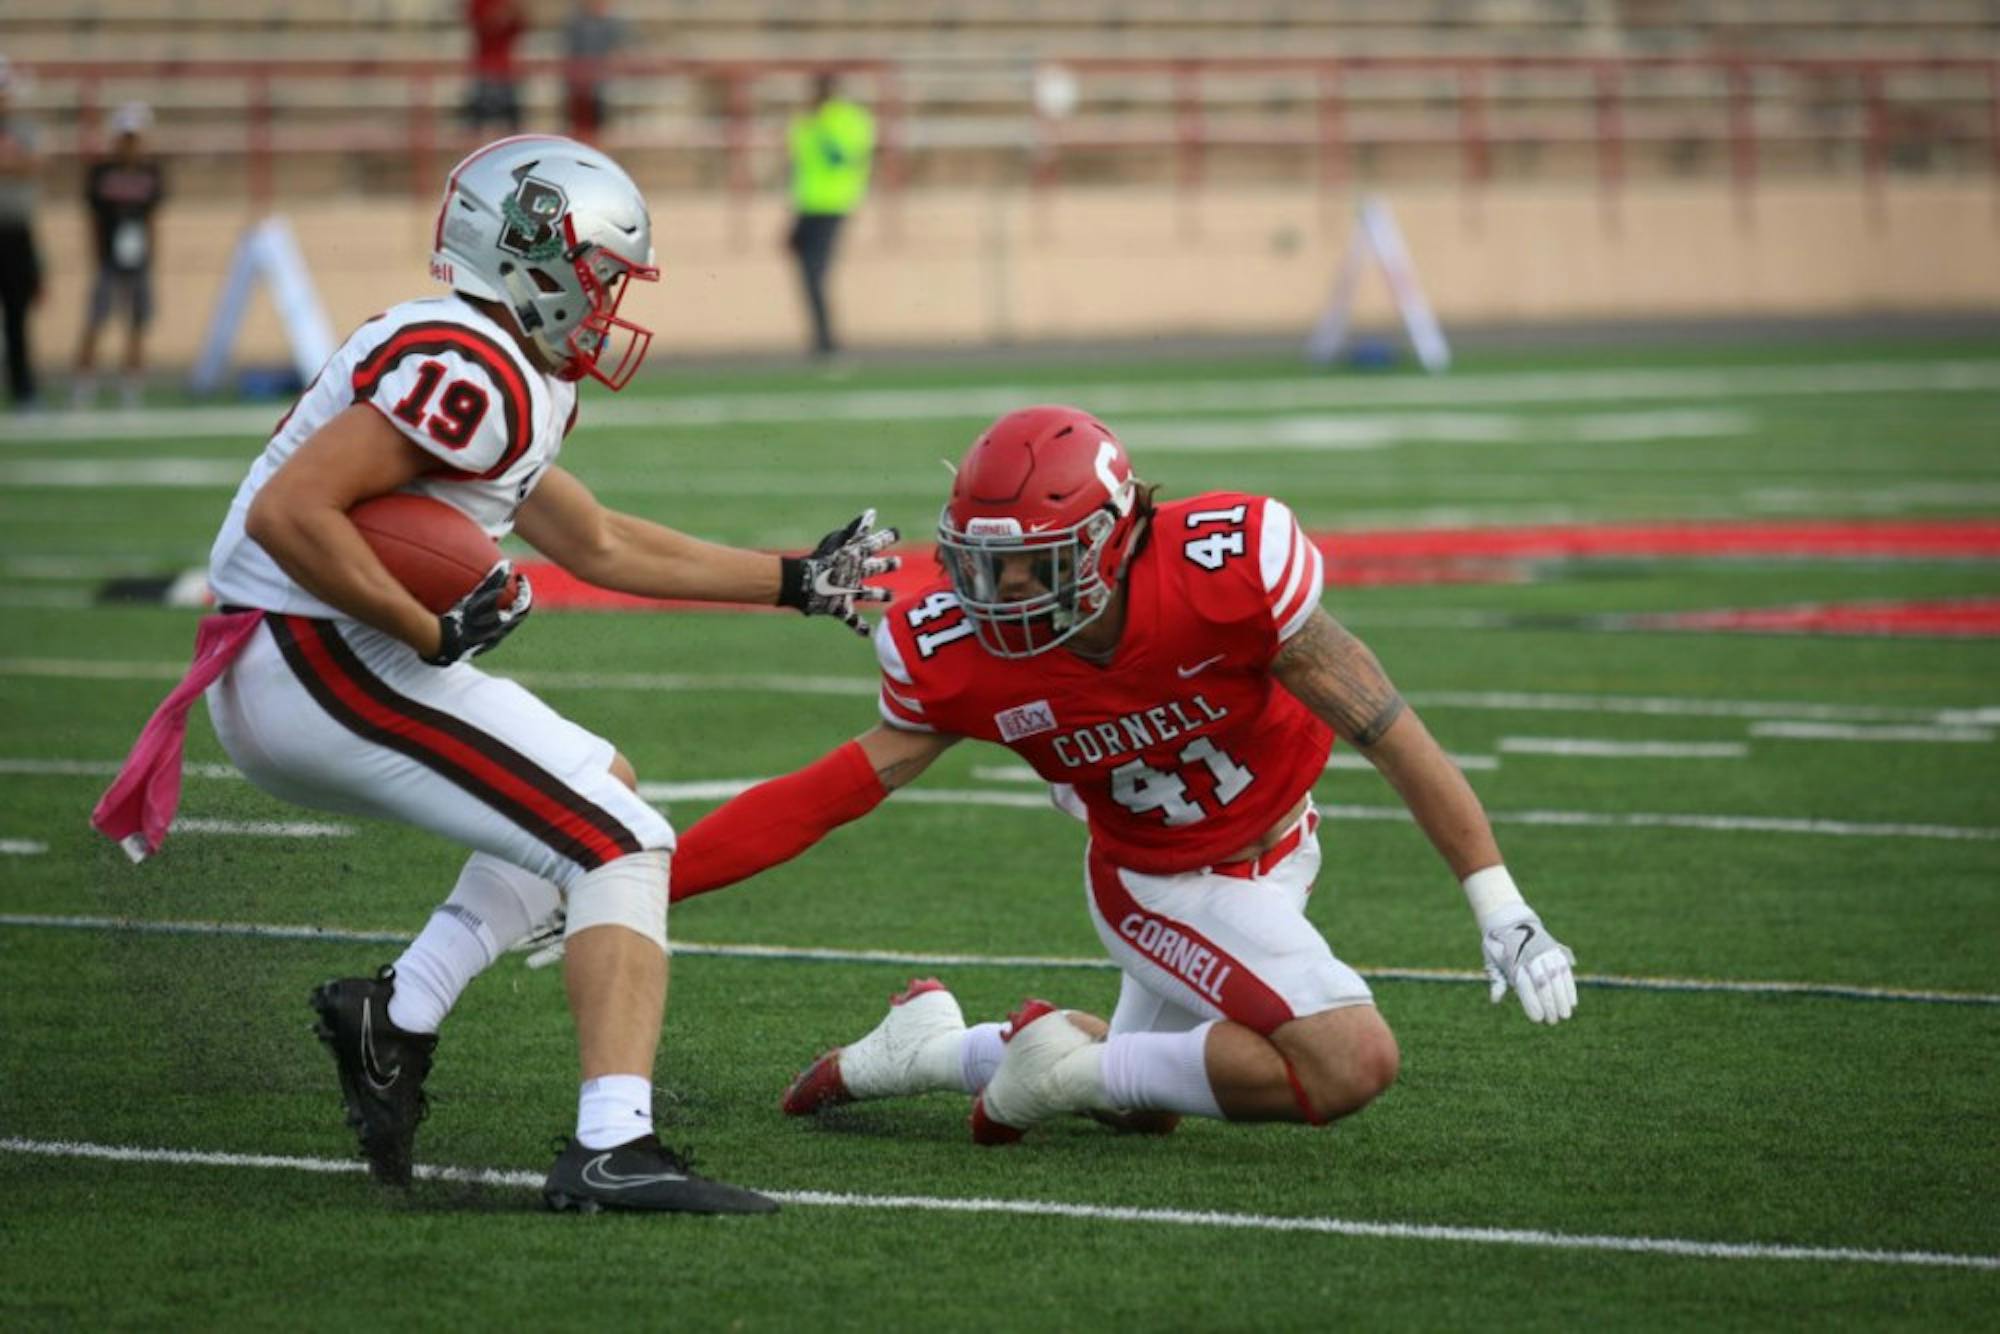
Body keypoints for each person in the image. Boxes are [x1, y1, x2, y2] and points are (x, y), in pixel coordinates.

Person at [90, 135, 899, 1212]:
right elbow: (292, 514)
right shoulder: (469, 362)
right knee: (620, 840)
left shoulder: (507, 367)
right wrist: (423, 625)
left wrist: (794, 579)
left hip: (325, 648)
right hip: (311, 656)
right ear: (533, 255)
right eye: (602, 272)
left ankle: (396, 1012)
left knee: (603, 779)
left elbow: (598, 541)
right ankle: (612, 1144)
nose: (609, 301)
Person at [660, 404, 1578, 1144]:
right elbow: (828, 795)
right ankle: (1049, 1071)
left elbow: (1390, 733)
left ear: (1111, 537)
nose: (1002, 591)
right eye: (984, 564)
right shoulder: (960, 652)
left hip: (1283, 848)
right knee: (1350, 1061)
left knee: (1143, 1104)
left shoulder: (1228, 572)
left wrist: (1501, 906)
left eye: (1031, 564)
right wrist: (645, 885)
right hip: (1159, 883)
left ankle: (931, 1050)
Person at [73, 102, 166, 411]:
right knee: (97, 319)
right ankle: (83, 384)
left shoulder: (151, 172)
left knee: (137, 322)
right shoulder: (102, 173)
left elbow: (153, 219)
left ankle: (131, 387)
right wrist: (94, 256)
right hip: (108, 257)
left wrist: (153, 257)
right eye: (126, 137)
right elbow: (93, 220)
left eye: (135, 137)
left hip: (138, 257)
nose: (130, 144)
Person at [784, 73, 873, 360]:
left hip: (833, 204)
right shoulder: (808, 120)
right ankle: (822, 336)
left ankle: (826, 339)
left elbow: (844, 157)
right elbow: (797, 161)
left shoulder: (845, 119)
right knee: (807, 270)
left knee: (815, 271)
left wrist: (819, 128)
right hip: (807, 205)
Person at [0, 56, 43, 411]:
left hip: (15, 230)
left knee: (17, 315)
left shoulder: (23, 128)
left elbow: (33, 164)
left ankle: (24, 391)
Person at [562, 0, 629, 141]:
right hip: (578, 85)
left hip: (599, 84)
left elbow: (622, 49)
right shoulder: (576, 24)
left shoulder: (612, 25)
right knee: (577, 125)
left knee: (598, 126)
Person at [464, 0, 527, 134]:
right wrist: (502, 14)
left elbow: (521, 25)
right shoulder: (478, 3)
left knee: (512, 122)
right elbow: (485, 25)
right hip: (484, 68)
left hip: (506, 70)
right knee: (477, 121)